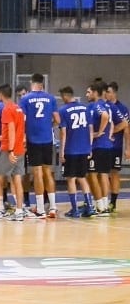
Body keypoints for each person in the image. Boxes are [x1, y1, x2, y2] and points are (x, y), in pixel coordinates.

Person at [18, 73, 59, 218]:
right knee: (48, 172)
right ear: (42, 83)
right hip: (47, 139)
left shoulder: (25, 99)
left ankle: (40, 209)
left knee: (37, 173)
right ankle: (53, 207)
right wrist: (48, 126)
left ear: (31, 82)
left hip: (33, 140)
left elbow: (22, 120)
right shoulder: (51, 98)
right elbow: (57, 120)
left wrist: (23, 136)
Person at [0, 84, 27, 221]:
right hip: (20, 149)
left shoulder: (7, 109)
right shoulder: (18, 108)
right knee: (17, 179)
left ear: (0, 95)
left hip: (9, 150)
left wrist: (11, 150)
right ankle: (19, 211)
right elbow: (18, 131)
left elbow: (13, 130)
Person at [58, 86, 96, 218]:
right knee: (82, 178)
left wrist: (61, 152)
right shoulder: (85, 108)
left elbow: (63, 132)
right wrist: (90, 147)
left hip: (71, 149)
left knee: (71, 179)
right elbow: (90, 129)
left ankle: (75, 209)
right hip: (84, 148)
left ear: (65, 96)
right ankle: (90, 207)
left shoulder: (63, 110)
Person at [86, 81, 114, 216]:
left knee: (92, 175)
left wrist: (99, 132)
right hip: (107, 145)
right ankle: (104, 204)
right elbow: (112, 122)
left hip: (98, 146)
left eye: (89, 92)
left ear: (95, 93)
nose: (87, 95)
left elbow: (105, 117)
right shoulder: (107, 105)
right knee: (103, 175)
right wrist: (109, 134)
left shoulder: (97, 105)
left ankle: (100, 206)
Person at [104, 81, 129, 212]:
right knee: (101, 173)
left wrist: (128, 148)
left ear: (114, 93)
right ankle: (102, 200)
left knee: (114, 173)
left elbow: (126, 128)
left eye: (108, 92)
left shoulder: (122, 109)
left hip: (116, 146)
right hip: (103, 146)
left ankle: (113, 202)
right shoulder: (103, 106)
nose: (106, 94)